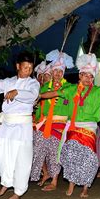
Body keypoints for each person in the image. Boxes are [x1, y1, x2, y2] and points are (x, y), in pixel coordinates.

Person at [40, 53, 100, 198]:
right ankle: (71, 184)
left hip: (89, 129)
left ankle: (85, 188)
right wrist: (39, 96)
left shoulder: (98, 91)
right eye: (85, 75)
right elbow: (53, 93)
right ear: (80, 76)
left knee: (88, 158)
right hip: (73, 128)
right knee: (71, 155)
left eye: (91, 76)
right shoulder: (71, 89)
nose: (88, 78)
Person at [0, 51, 40, 199]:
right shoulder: (8, 82)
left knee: (21, 159)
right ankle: (6, 182)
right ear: (18, 66)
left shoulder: (33, 83)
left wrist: (17, 92)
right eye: (25, 67)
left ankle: (18, 191)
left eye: (30, 68)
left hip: (22, 127)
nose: (28, 71)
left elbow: (32, 96)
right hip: (6, 125)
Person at [30, 50, 73, 191]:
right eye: (55, 71)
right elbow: (39, 106)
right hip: (44, 123)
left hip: (60, 125)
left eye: (60, 72)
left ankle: (54, 181)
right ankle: (43, 173)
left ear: (63, 73)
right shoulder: (43, 87)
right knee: (37, 148)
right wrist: (35, 118)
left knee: (55, 152)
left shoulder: (69, 88)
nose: (57, 74)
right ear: (52, 72)